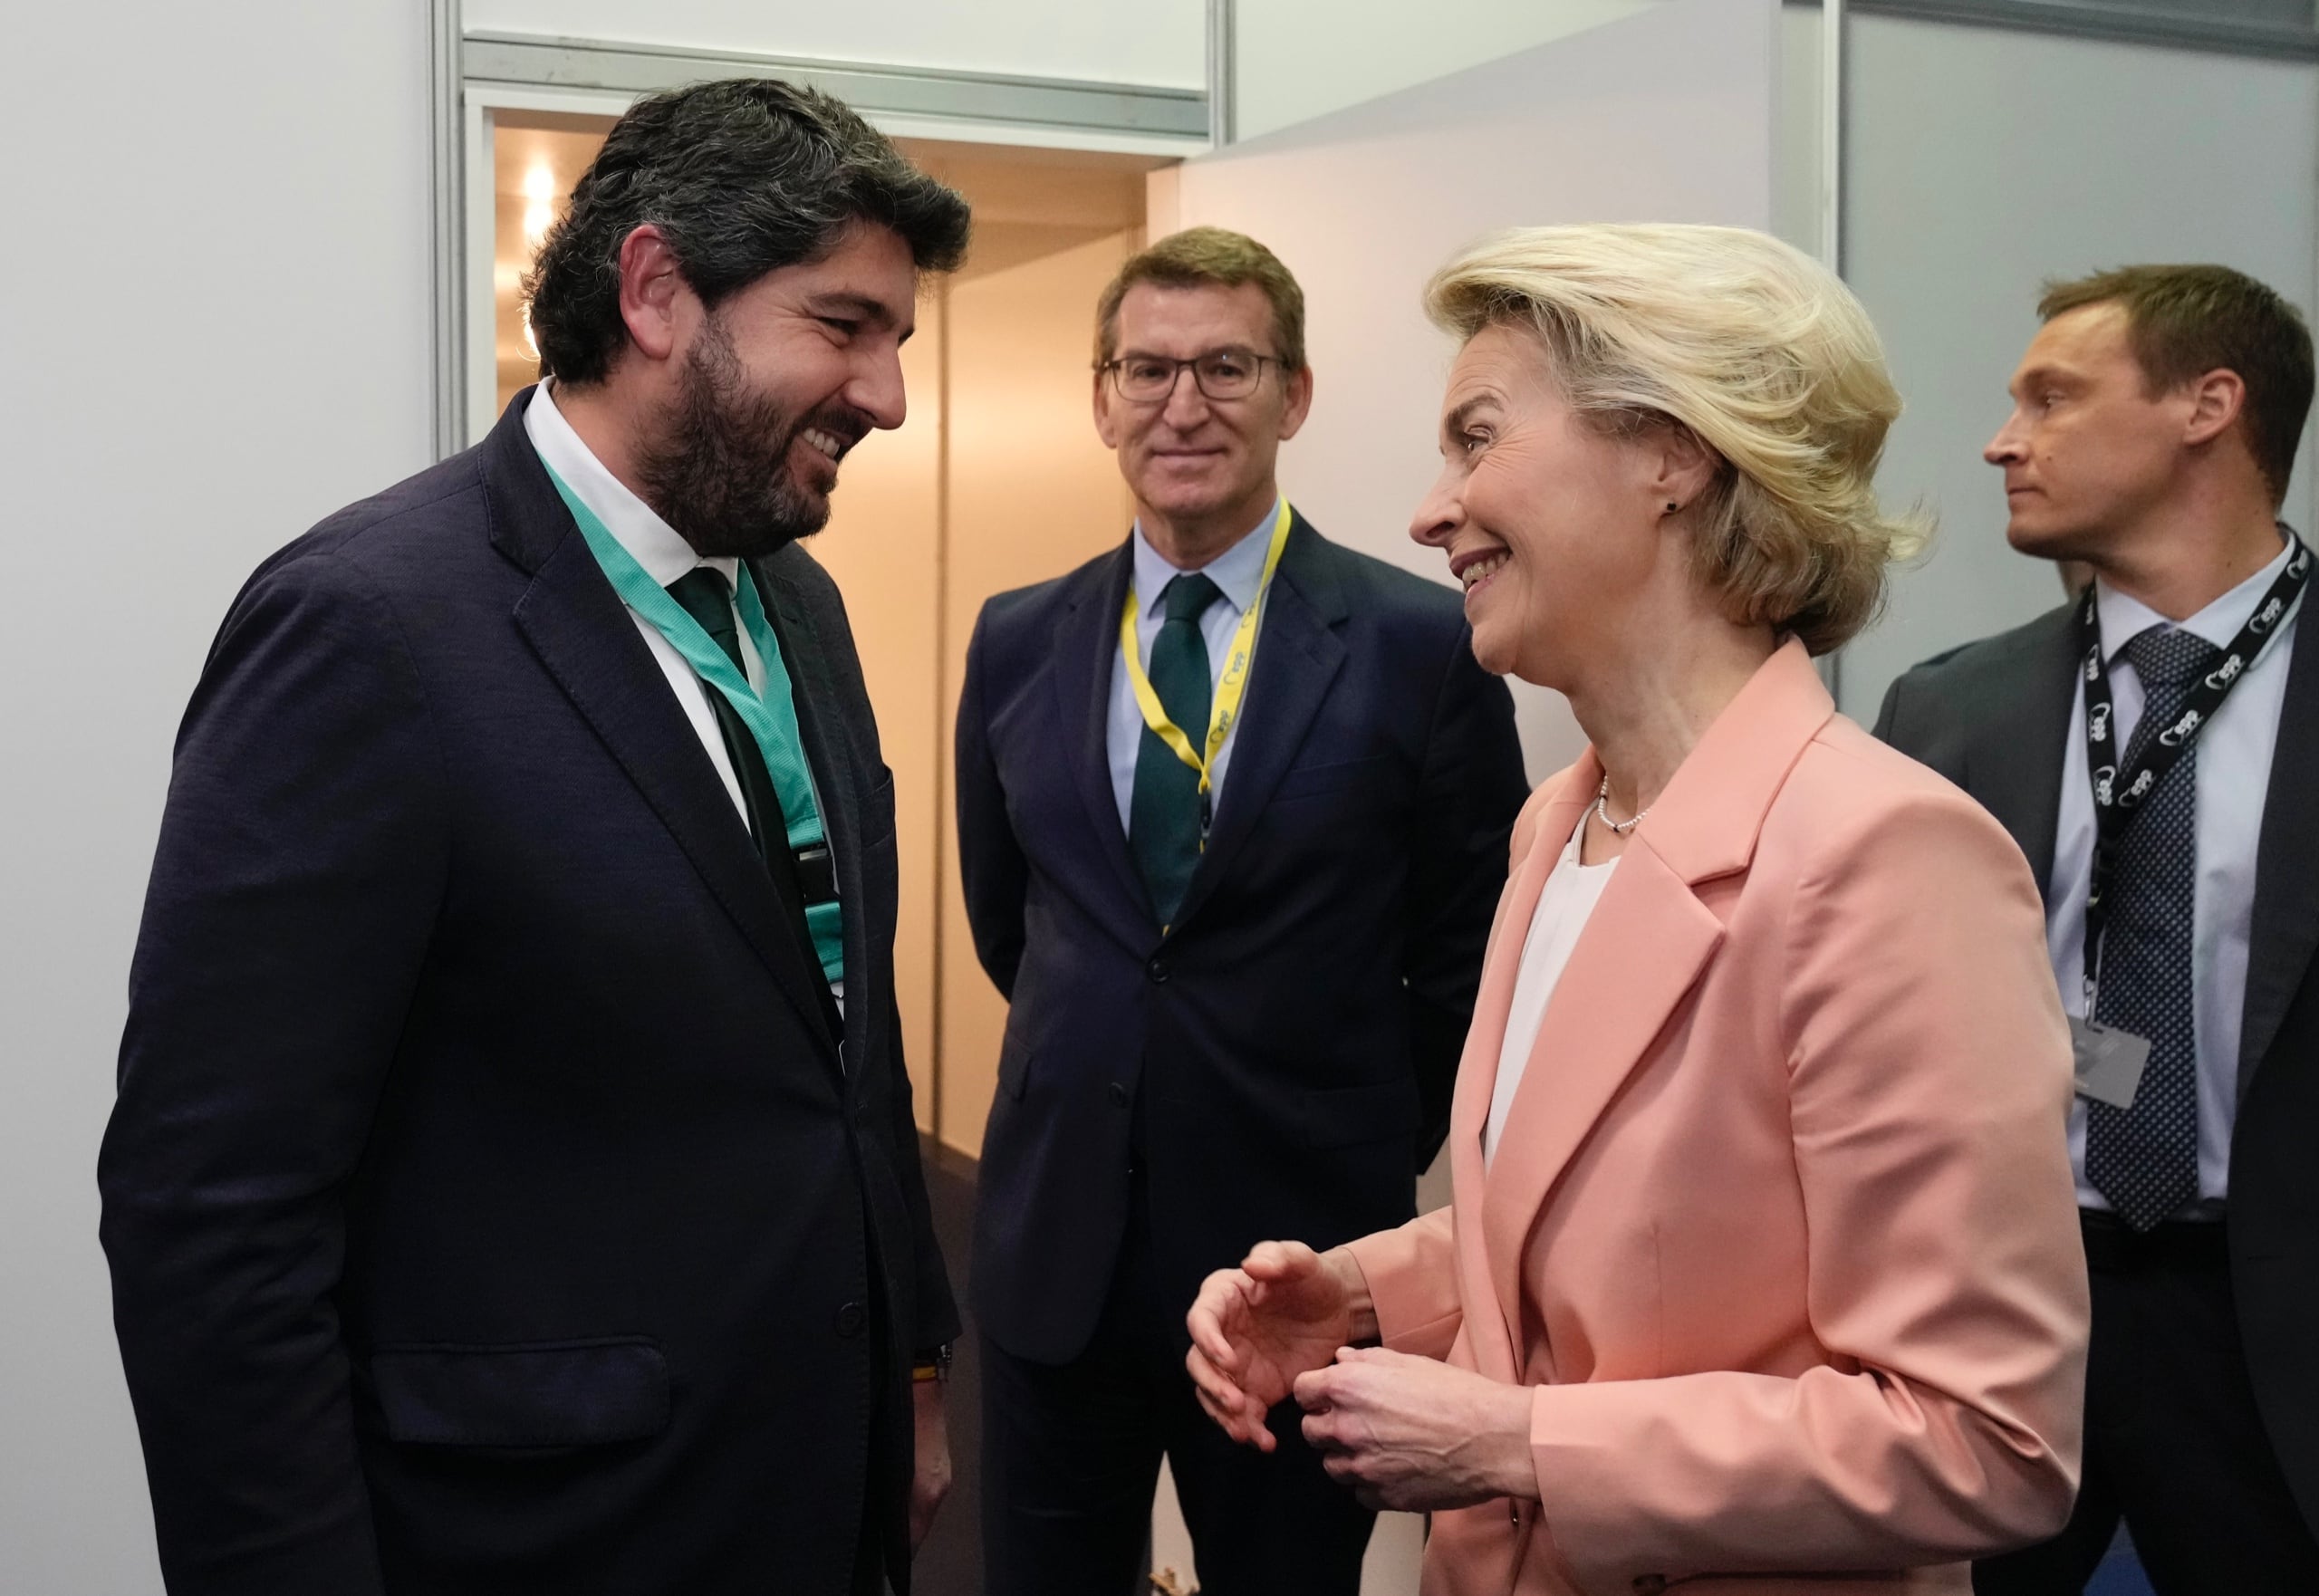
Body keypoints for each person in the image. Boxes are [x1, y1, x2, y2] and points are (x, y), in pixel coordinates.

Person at [98, 80, 969, 1596]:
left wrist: (907, 1369)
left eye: (898, 338)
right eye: (845, 326)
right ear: (653, 291)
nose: (889, 395)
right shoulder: (367, 628)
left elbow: (844, 1034)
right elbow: (213, 1218)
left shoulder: (795, 602)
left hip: (805, 1487)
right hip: (535, 1536)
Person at [1186, 224, 2091, 1596]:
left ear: (1673, 450)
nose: (1435, 510)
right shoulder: (1562, 822)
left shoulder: (1887, 853)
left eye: (1477, 438)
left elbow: (1985, 1436)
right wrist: (1365, 1294)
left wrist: (1527, 1441)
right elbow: (1609, 1211)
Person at [953, 226, 1527, 1594]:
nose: (1184, 405)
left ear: (1295, 394)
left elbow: (1472, 954)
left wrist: (1370, 1128)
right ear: (1100, 396)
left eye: (1226, 366)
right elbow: (1007, 916)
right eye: (1147, 370)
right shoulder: (1016, 634)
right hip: (1057, 1257)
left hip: (1293, 1266)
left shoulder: (1422, 642)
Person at [1877, 264, 2319, 1593]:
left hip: (2273, 1328)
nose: (2005, 440)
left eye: (2052, 399)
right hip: (2008, 1313)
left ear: (2209, 405)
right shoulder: (1947, 713)